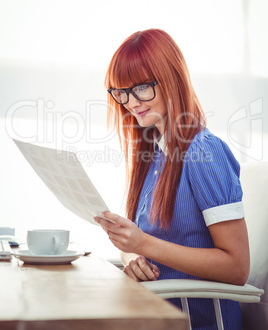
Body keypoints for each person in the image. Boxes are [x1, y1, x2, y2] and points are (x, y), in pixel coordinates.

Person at [94, 28, 250, 330]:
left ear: (171, 79)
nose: (130, 102)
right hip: (154, 316)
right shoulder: (154, 156)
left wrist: (144, 244)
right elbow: (143, 243)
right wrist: (131, 256)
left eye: (140, 88)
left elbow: (237, 268)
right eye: (121, 92)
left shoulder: (204, 152)